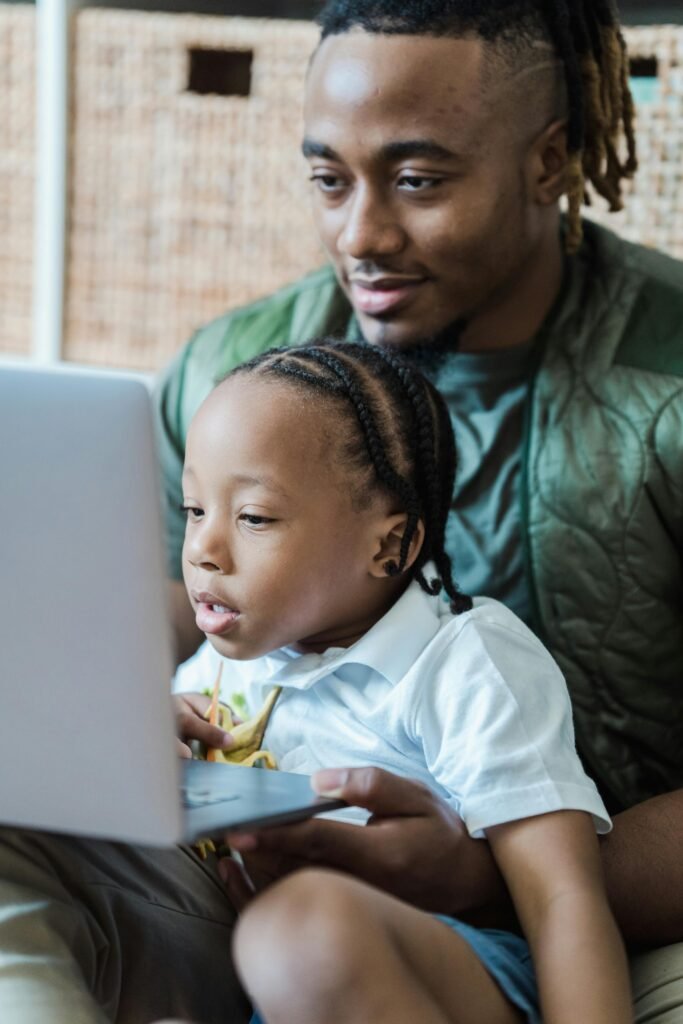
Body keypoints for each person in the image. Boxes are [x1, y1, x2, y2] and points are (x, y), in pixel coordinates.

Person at [0, 0, 680, 1021]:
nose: (358, 235)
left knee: (311, 938)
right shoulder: (240, 369)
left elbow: (554, 889)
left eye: (417, 180)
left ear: (548, 162)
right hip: (252, 888)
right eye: (327, 178)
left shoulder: (660, 394)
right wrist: (107, 729)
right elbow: (159, 611)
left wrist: (475, 868)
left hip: (608, 916)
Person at [174, 338, 631, 1024]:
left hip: (448, 965)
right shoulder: (220, 663)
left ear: (388, 546)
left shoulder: (465, 661)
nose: (203, 551)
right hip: (254, 984)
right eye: (193, 510)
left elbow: (562, 897)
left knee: (299, 930)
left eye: (254, 517)